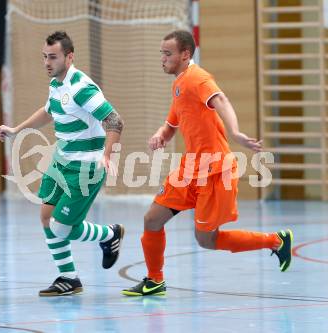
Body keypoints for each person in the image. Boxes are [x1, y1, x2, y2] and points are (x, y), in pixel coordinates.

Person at [122, 30, 293, 297]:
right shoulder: (178, 83)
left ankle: (275, 241)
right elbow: (172, 123)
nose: (163, 59)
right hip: (190, 169)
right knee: (152, 220)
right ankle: (155, 280)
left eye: (168, 54)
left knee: (206, 240)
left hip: (215, 170)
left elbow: (221, 100)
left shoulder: (197, 78)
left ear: (185, 54)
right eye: (162, 54)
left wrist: (235, 133)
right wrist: (160, 135)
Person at [0, 31, 125, 296]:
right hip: (61, 162)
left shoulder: (81, 88)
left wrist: (107, 154)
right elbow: (48, 111)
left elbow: (114, 121)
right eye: (44, 57)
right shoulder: (57, 83)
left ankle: (108, 234)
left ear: (69, 57)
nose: (47, 62)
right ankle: (69, 278)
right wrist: (16, 129)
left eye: (52, 57)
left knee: (60, 227)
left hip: (84, 169)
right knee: (46, 217)